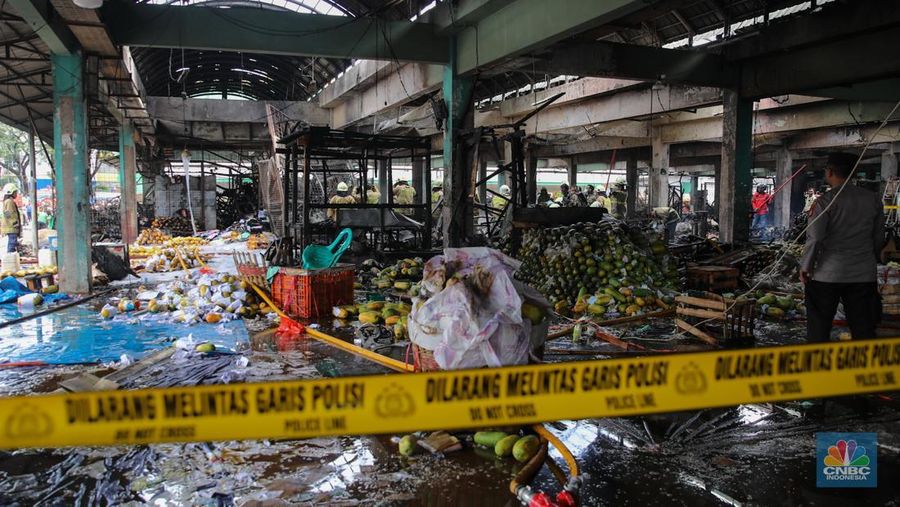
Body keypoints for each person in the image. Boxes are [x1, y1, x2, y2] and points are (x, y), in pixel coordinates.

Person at [800, 153, 884, 342]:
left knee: (819, 328)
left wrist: (806, 266)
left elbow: (815, 238)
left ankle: (817, 367)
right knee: (863, 328)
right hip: (863, 274)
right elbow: (878, 238)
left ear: (830, 172)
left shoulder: (824, 202)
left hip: (827, 274)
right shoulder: (873, 199)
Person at [1, 184, 21, 253]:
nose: (16, 194)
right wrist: (15, 223)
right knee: (12, 244)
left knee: (12, 243)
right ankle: (10, 259)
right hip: (11, 227)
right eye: (15, 192)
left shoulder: (7, 201)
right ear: (11, 192)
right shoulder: (9, 202)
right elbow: (9, 214)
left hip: (10, 226)